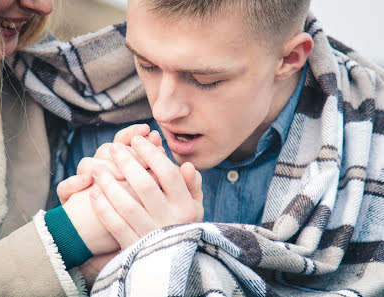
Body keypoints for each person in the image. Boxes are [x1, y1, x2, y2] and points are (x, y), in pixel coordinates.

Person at [54, 0, 384, 296]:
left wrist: (168, 258)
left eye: (205, 80)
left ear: (290, 58)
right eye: (146, 64)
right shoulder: (88, 121)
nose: (164, 110)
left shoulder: (374, 154)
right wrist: (77, 268)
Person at [0, 1, 195, 296]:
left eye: (205, 80)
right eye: (147, 67)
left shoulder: (39, 84)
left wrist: (86, 270)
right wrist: (68, 233)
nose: (44, 6)